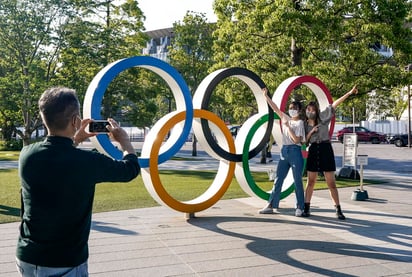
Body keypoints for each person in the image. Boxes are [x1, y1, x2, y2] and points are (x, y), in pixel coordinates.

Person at [16, 87, 140, 276]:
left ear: (44, 117)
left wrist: (75, 139)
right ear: (75, 121)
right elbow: (130, 169)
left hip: (27, 257)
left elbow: (56, 156)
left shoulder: (27, 154)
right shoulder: (88, 161)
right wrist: (124, 141)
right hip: (64, 262)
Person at [304, 85, 358, 220]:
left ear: (316, 110)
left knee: (331, 182)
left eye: (312, 109)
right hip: (313, 149)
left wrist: (349, 93)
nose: (310, 111)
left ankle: (338, 209)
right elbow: (303, 142)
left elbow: (334, 104)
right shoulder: (304, 125)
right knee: (310, 182)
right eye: (308, 109)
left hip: (325, 149)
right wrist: (311, 132)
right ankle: (306, 207)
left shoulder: (322, 117)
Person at [259, 88, 306, 216]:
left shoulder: (300, 123)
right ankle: (271, 204)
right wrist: (266, 96)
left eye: (294, 108)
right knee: (278, 178)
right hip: (284, 151)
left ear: (299, 110)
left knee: (297, 181)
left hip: (295, 151)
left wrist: (288, 127)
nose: (292, 110)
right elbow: (275, 108)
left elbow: (297, 140)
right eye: (290, 107)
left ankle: (300, 207)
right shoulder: (285, 117)